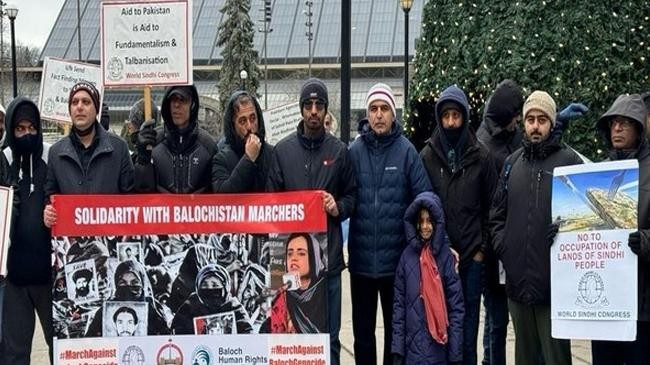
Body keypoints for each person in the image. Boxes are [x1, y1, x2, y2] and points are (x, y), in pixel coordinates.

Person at [266, 78, 356, 365]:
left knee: (329, 338)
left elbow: (353, 197)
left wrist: (337, 207)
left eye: (319, 105)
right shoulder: (282, 151)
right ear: (302, 110)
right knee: (290, 339)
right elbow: (271, 202)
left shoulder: (339, 151)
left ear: (326, 110)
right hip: (289, 265)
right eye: (308, 105)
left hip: (327, 263)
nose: (314, 111)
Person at [490, 90, 582, 365]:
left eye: (542, 119)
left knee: (556, 358)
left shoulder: (569, 162)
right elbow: (496, 214)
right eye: (530, 119)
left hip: (555, 287)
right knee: (524, 358)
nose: (535, 125)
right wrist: (504, 245)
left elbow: (585, 217)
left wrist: (565, 233)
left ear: (552, 123)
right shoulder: (512, 164)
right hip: (518, 284)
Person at [348, 83, 431, 365]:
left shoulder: (407, 152)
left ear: (393, 114)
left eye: (384, 109)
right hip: (360, 263)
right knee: (363, 334)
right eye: (374, 109)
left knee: (395, 335)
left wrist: (421, 244)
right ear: (367, 114)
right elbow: (344, 195)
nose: (379, 115)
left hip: (396, 264)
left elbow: (424, 200)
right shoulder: (354, 151)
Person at [420, 84, 497, 365]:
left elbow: (493, 208)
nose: (451, 122)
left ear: (465, 117)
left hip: (471, 260)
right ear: (439, 118)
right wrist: (433, 245)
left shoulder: (481, 156)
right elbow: (421, 205)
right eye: (446, 116)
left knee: (467, 331)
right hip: (438, 258)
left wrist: (481, 250)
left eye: (456, 116)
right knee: (439, 329)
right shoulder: (427, 156)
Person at [591, 93, 650, 364]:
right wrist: (560, 235)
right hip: (604, 304)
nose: (617, 128)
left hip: (643, 304)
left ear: (639, 127)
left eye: (625, 123)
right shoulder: (597, 172)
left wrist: (646, 241)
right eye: (613, 123)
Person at [0, 97, 53, 365]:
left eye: (32, 128)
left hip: (50, 278)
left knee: (61, 347)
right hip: (14, 280)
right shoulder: (2, 161)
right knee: (14, 354)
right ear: (11, 129)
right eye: (20, 129)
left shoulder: (50, 157)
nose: (26, 134)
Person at [44, 81, 134, 228]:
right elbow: (50, 196)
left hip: (109, 238)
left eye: (86, 102)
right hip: (73, 240)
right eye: (74, 102)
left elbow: (131, 199)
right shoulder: (56, 152)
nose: (79, 107)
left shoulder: (119, 148)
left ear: (96, 109)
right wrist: (48, 212)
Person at [392, 191, 464, 365]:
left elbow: (456, 309)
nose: (425, 226)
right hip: (412, 352)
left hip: (440, 351)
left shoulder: (446, 258)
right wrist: (397, 350)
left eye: (429, 221)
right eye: (421, 221)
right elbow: (399, 308)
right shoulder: (406, 258)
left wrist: (455, 353)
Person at [134, 85, 216, 193]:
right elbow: (142, 194)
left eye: (183, 100)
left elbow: (217, 192)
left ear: (193, 105)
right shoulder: (153, 141)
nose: (177, 105)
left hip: (196, 209)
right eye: (173, 100)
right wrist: (143, 160)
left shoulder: (207, 145)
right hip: (162, 209)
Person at [85, 260, 171, 337]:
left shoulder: (154, 309)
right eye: (123, 283)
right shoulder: (105, 312)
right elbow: (90, 342)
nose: (128, 287)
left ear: (142, 283)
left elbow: (166, 342)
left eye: (135, 282)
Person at [212, 91, 272, 193]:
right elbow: (222, 198)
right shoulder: (221, 159)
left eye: (253, 119)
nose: (249, 126)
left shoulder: (273, 154)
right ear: (233, 126)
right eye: (242, 121)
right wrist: (248, 159)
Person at [271, 233, 327, 334]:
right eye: (290, 254)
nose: (294, 258)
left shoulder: (325, 291)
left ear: (314, 258)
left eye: (301, 253)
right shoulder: (281, 297)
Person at [172, 264, 252, 335]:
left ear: (225, 287)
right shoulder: (190, 305)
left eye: (215, 285)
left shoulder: (234, 307)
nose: (209, 288)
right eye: (204, 285)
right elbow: (177, 333)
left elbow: (247, 334)